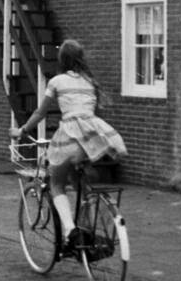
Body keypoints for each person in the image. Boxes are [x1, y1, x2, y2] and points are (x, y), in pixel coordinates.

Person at [10, 39, 127, 252]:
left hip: (70, 138)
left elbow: (40, 113)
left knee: (56, 184)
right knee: (81, 185)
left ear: (61, 60)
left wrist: (22, 131)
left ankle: (71, 230)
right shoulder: (90, 82)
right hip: (91, 141)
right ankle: (87, 233)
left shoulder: (56, 82)